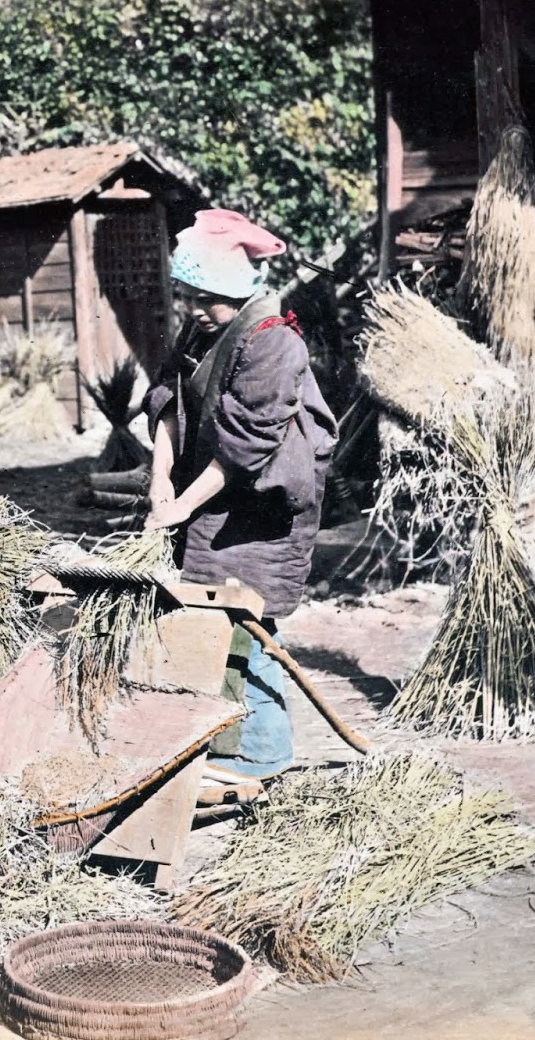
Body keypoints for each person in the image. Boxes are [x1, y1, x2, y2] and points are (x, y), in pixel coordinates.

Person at [144, 208, 338, 780]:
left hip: (261, 508)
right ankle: (223, 748)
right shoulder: (201, 330)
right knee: (207, 619)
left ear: (237, 289)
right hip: (211, 499)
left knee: (248, 623)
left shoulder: (275, 344)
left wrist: (181, 504)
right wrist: (159, 480)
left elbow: (244, 447)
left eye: (207, 298)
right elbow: (167, 405)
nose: (195, 309)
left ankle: (263, 755)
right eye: (188, 296)